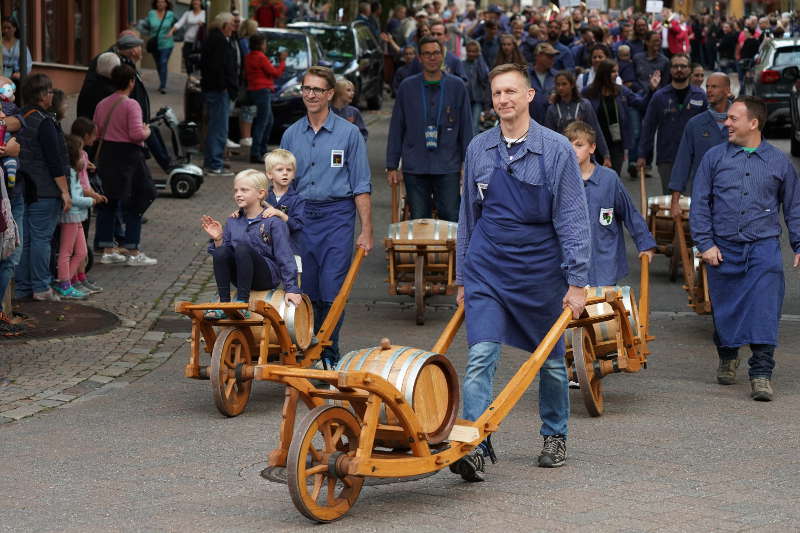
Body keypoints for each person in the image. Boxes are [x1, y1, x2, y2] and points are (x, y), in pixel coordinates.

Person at [450, 63, 591, 481]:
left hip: (539, 272)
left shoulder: (555, 149)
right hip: (488, 268)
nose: (503, 100)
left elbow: (572, 218)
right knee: (480, 357)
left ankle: (554, 435)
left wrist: (577, 282)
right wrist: (463, 278)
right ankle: (474, 442)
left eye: (511, 91)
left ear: (530, 96)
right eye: (496, 93)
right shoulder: (479, 148)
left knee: (547, 363)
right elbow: (467, 217)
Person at [690, 96, 800, 402]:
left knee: (765, 308)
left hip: (763, 248)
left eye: (733, 118)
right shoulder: (714, 158)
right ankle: (727, 355)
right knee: (725, 310)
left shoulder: (779, 163)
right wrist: (706, 243)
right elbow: (699, 204)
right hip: (723, 249)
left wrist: (799, 243)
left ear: (753, 123)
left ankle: (761, 373)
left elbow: (794, 207)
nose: (726, 123)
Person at [279, 66, 372, 366]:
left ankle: (329, 351)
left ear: (330, 94)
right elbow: (281, 184)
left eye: (318, 90)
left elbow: (361, 184)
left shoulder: (349, 133)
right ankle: (308, 348)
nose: (311, 94)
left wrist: (366, 230)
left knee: (333, 288)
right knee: (307, 289)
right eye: (306, 88)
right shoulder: (291, 135)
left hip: (337, 217)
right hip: (302, 217)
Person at [386, 36, 473, 222]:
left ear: (442, 55)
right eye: (427, 54)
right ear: (420, 57)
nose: (432, 57)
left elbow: (466, 127)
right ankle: (422, 252)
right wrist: (392, 165)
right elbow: (396, 128)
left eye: (435, 53)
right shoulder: (407, 87)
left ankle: (453, 252)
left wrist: (469, 163)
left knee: (451, 215)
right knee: (419, 219)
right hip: (415, 165)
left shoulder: (457, 86)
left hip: (448, 164)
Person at [201, 169, 301, 320]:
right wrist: (218, 239)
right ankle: (223, 303)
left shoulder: (273, 222)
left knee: (242, 249)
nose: (238, 194)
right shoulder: (233, 221)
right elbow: (225, 256)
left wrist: (292, 288)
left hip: (265, 276)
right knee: (220, 251)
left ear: (260, 194)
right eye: (236, 190)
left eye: (244, 190)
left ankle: (242, 303)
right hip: (240, 276)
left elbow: (285, 256)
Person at [565, 121, 656, 286]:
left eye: (579, 145)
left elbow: (630, 213)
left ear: (592, 148)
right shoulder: (561, 180)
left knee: (603, 309)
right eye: (568, 145)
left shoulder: (609, 179)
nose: (573, 150)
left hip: (603, 261)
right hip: (570, 263)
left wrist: (646, 244)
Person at [93, 64, 157, 267]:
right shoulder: (132, 105)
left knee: (108, 201)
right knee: (141, 196)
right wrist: (148, 130)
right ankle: (133, 249)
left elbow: (96, 129)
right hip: (129, 156)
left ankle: (107, 248)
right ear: (131, 82)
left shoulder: (102, 103)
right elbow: (136, 134)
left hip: (107, 154)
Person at [14, 74, 71, 302]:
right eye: (49, 91)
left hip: (23, 187)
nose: (51, 95)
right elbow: (54, 159)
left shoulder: (19, 116)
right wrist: (65, 191)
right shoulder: (44, 121)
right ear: (41, 95)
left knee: (26, 239)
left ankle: (23, 286)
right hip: (44, 189)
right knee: (40, 239)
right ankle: (41, 287)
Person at [637, 53, 708, 194]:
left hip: (694, 157)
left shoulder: (700, 96)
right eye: (675, 66)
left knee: (691, 201)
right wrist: (642, 155)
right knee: (669, 202)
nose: (679, 69)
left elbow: (709, 127)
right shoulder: (659, 97)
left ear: (689, 70)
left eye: (683, 66)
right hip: (667, 157)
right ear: (670, 70)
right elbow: (648, 127)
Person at [668, 72, 731, 216]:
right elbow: (682, 162)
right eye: (707, 86)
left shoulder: (741, 121)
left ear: (727, 90)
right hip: (702, 200)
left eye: (714, 87)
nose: (709, 90)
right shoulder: (695, 124)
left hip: (735, 200)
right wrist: (674, 201)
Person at [583, 59, 655, 176]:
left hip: (617, 142)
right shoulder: (589, 92)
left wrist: (651, 90)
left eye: (617, 71)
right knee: (594, 176)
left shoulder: (621, 90)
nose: (616, 74)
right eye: (613, 72)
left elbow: (641, 103)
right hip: (595, 142)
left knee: (613, 176)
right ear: (604, 73)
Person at [53, 136, 96, 300]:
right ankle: (64, 284)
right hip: (71, 216)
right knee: (67, 251)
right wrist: (91, 200)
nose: (83, 158)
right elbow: (75, 198)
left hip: (76, 217)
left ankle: (66, 282)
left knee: (81, 252)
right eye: (80, 154)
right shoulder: (70, 173)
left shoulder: (74, 172)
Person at [69, 117, 107, 295]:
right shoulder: (77, 156)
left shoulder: (82, 154)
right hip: (80, 205)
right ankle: (73, 279)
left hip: (84, 206)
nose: (95, 139)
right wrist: (94, 196)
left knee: (81, 246)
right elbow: (80, 184)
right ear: (85, 136)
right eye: (93, 136)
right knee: (77, 247)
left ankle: (80, 277)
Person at [544, 71, 610, 167]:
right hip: (562, 157)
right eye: (558, 85)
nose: (560, 88)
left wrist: (605, 155)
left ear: (572, 85)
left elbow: (595, 129)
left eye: (564, 84)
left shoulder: (584, 105)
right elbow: (548, 137)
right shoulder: (552, 108)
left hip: (583, 154)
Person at [201, 12, 239, 176]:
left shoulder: (217, 39)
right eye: (231, 24)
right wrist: (224, 86)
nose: (233, 27)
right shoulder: (219, 41)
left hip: (215, 89)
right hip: (218, 91)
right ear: (224, 25)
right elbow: (217, 67)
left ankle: (212, 162)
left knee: (215, 127)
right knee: (219, 128)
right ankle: (215, 164)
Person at [245, 32, 287, 163]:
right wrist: (282, 62)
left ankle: (262, 149)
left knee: (268, 121)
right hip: (263, 90)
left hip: (254, 89)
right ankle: (256, 152)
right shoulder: (261, 57)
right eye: (264, 43)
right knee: (263, 122)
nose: (266, 46)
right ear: (261, 45)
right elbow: (275, 72)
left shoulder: (249, 57)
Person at [263, 149, 305, 271]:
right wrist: (239, 213)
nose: (285, 173)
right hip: (267, 250)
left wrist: (280, 214)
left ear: (294, 174)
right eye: (280, 170)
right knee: (269, 285)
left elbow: (298, 225)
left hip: (291, 250)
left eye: (289, 170)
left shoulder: (298, 199)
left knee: (293, 286)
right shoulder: (263, 197)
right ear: (270, 174)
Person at [143, 0, 177, 94]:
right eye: (158, 2)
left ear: (166, 4)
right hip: (155, 43)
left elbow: (177, 25)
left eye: (163, 2)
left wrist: (172, 31)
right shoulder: (151, 13)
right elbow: (145, 25)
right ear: (155, 3)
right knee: (158, 64)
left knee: (163, 62)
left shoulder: (170, 14)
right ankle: (162, 81)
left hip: (167, 43)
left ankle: (163, 86)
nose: (160, 4)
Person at [237, 18, 260, 152]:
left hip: (245, 80)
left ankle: (246, 136)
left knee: (247, 108)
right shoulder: (246, 44)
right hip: (247, 81)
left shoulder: (242, 41)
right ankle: (246, 136)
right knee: (248, 107)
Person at [169, 0, 205, 75]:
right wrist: (171, 31)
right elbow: (179, 23)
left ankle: (197, 79)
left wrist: (203, 24)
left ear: (200, 2)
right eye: (194, 1)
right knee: (188, 62)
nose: (195, 2)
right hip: (188, 41)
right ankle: (190, 78)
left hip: (200, 43)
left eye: (197, 1)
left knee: (199, 62)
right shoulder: (188, 13)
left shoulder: (204, 13)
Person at [463, 40, 490, 133]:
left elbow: (484, 77)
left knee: (475, 125)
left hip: (477, 99)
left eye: (474, 51)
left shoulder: (481, 64)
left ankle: (474, 146)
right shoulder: (462, 64)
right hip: (465, 100)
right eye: (469, 51)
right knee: (466, 124)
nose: (471, 53)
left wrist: (480, 58)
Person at [528, 42, 558, 124]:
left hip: (551, 125)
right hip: (529, 123)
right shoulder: (525, 76)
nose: (552, 59)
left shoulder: (557, 76)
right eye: (549, 56)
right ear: (538, 56)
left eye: (553, 56)